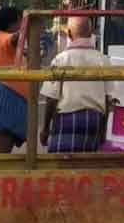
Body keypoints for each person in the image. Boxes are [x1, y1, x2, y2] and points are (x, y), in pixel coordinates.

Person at [40, 17, 113, 152]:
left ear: (68, 33)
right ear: (91, 33)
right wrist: (103, 131)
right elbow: (108, 101)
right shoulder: (103, 60)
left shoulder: (61, 59)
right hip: (94, 120)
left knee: (62, 164)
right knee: (85, 166)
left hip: (67, 119)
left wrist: (45, 129)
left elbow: (51, 99)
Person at [0, 7, 30, 153]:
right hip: (8, 95)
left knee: (6, 147)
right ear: (14, 23)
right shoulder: (4, 37)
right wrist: (28, 24)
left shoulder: (0, 39)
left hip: (12, 95)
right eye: (20, 21)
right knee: (2, 149)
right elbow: (14, 38)